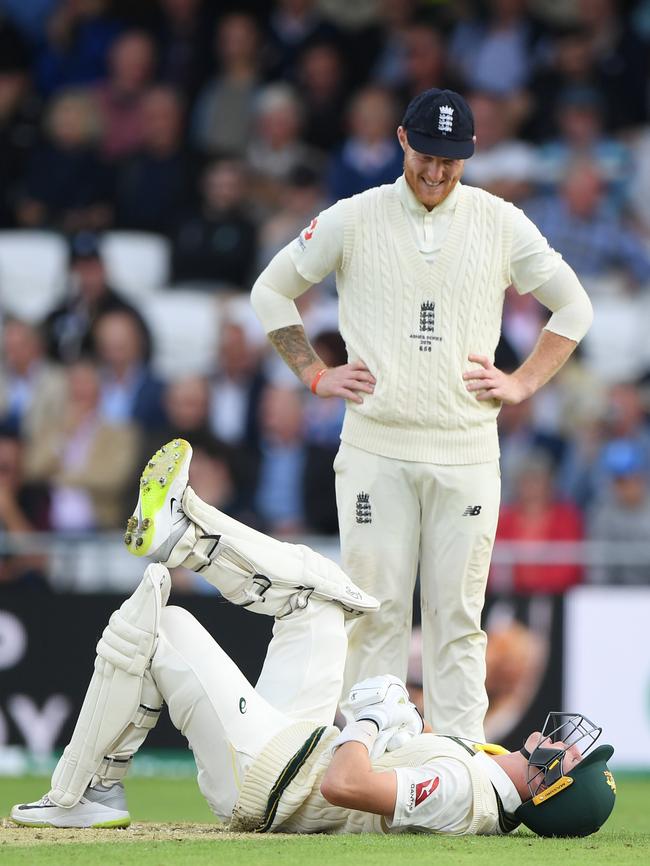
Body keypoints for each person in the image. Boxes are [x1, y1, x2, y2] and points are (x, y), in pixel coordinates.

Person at [10, 438, 616, 838]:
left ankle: (83, 793)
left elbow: (345, 785)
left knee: (163, 623)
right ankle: (182, 529)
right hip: (299, 743)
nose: (568, 743)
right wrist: (398, 728)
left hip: (270, 780)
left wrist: (374, 721)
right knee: (326, 597)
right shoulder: (482, 775)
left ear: (551, 787)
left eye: (573, 759)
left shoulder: (469, 795)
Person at [250, 87, 594, 740]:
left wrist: (521, 384)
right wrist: (314, 374)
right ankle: (371, 764)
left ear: (470, 156)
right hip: (374, 448)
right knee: (374, 613)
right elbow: (271, 291)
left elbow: (574, 308)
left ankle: (457, 769)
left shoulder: (500, 221)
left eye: (452, 162)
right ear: (403, 141)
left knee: (458, 618)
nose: (436, 174)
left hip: (467, 449)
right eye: (427, 156)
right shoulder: (354, 217)